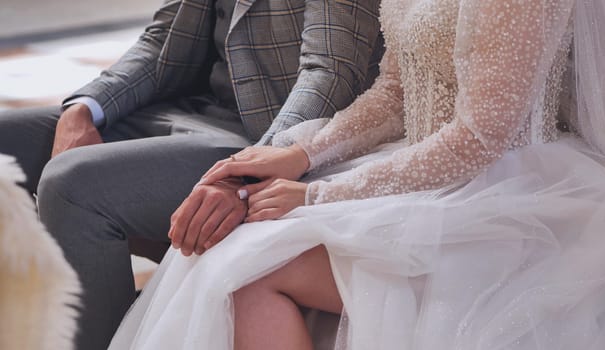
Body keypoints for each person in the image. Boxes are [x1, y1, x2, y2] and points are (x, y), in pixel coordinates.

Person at [111, 0, 605, 348]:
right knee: (231, 252)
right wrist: (303, 156)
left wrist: (319, 196)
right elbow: (393, 93)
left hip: (502, 196)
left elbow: (481, 137)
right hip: (417, 170)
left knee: (251, 271)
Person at [0, 0, 384, 348]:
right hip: (190, 110)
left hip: (265, 138)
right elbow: (165, 41)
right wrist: (83, 109)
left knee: (73, 183)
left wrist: (251, 169)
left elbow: (331, 73)